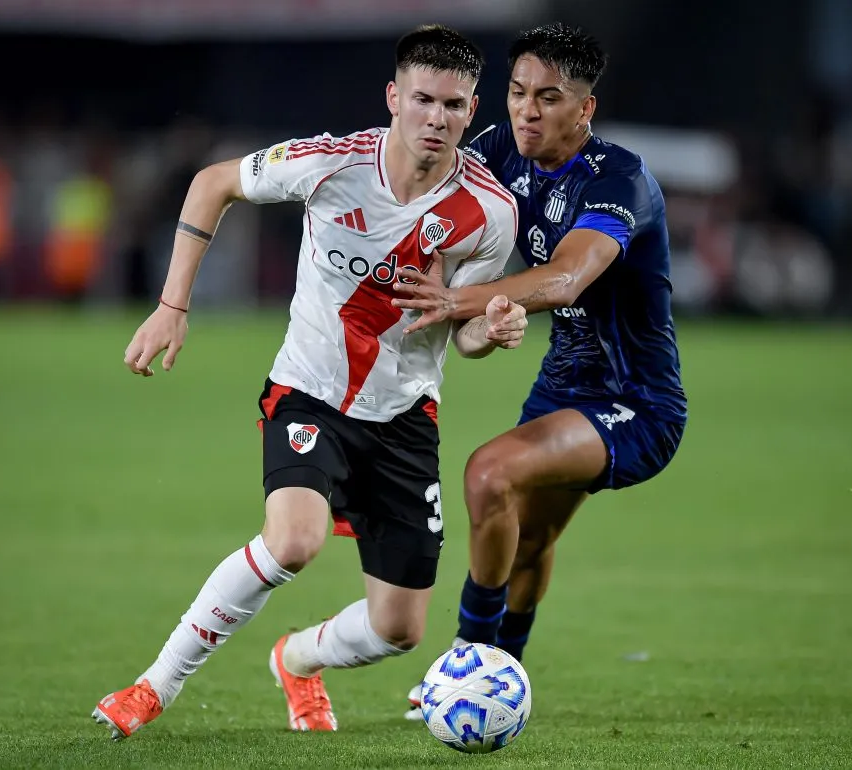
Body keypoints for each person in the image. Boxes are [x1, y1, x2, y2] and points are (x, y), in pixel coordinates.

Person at [92, 23, 525, 740]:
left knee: (399, 630)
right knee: (294, 540)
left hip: (406, 415)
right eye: (423, 99)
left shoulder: (490, 213)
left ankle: (296, 660)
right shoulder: (332, 164)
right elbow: (213, 183)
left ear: (471, 111)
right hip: (310, 391)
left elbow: (464, 331)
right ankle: (152, 686)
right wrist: (172, 306)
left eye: (453, 105)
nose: (436, 118)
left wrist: (495, 326)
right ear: (393, 97)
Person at [391, 23, 687, 715]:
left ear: (584, 109)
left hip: (636, 401)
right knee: (528, 538)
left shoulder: (621, 180)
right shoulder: (501, 151)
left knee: (488, 473)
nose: (526, 110)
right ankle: (502, 677)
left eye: (548, 98)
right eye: (518, 92)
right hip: (564, 385)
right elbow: (430, 182)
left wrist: (456, 299)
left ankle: (467, 658)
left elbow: (565, 281)